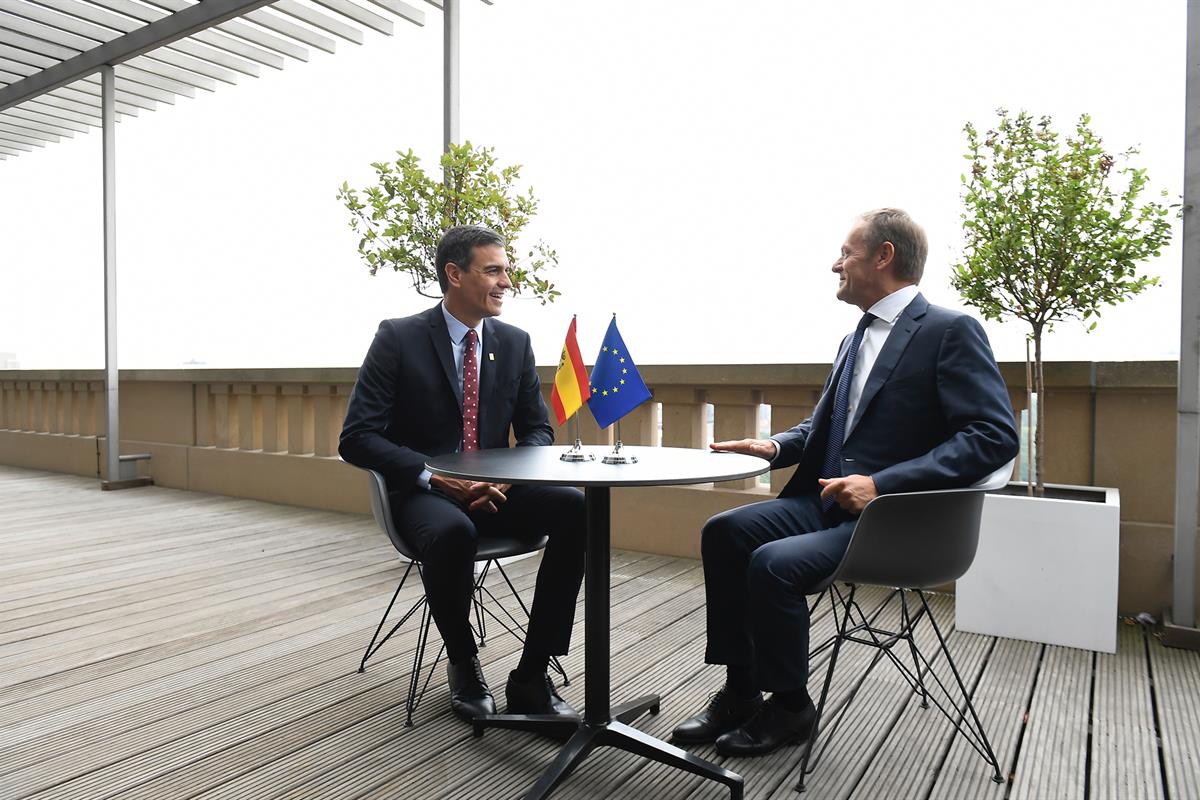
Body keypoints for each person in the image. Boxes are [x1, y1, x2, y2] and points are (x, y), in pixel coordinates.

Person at [671, 208, 1019, 756]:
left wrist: (882, 484)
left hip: (895, 520)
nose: (836, 263)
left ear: (884, 256)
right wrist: (777, 446)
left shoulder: (950, 331)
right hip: (825, 500)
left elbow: (992, 437)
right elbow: (830, 427)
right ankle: (740, 691)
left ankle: (789, 707)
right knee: (725, 532)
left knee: (773, 564)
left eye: (847, 253)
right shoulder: (854, 338)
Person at [339, 225, 585, 723]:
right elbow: (357, 436)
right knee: (454, 531)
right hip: (425, 493)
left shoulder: (514, 343)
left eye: (506, 270)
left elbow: (538, 432)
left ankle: (533, 673)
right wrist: (437, 478)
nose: (506, 282)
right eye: (493, 270)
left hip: (497, 491)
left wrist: (506, 480)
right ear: (454, 274)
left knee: (577, 507)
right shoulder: (398, 337)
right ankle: (463, 662)